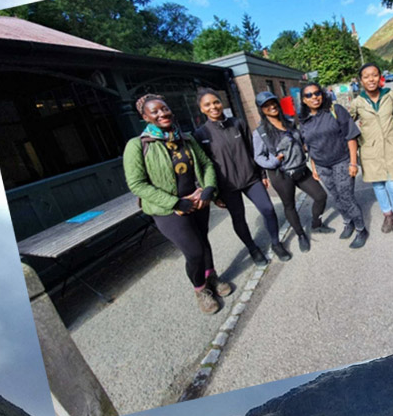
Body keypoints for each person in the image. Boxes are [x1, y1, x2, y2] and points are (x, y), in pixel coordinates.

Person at [123, 94, 235, 313]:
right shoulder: (137, 146)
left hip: (198, 202)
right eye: (154, 111)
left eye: (164, 109)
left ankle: (211, 276)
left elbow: (207, 165)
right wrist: (175, 203)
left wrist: (209, 189)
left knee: (203, 242)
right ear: (145, 117)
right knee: (193, 251)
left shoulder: (187, 139)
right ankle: (200, 289)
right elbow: (137, 184)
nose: (162, 114)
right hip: (169, 210)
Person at [192, 89, 291, 264]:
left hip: (251, 179)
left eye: (216, 102)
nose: (213, 107)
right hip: (226, 186)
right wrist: (214, 194)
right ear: (201, 109)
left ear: (221, 103)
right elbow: (203, 166)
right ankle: (253, 249)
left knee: (268, 209)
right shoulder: (200, 135)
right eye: (207, 104)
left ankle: (276, 243)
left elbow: (253, 150)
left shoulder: (237, 123)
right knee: (239, 218)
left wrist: (261, 174)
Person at [251, 92, 329, 254]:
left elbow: (301, 141)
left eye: (273, 103)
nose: (271, 107)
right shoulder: (260, 132)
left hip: (301, 168)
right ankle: (301, 234)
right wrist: (273, 162)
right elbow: (258, 156)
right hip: (281, 175)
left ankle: (316, 224)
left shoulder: (289, 121)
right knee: (289, 205)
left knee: (321, 196)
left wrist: (306, 148)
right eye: (266, 105)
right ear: (261, 109)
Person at [296, 81, 369, 248]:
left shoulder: (336, 111)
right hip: (322, 166)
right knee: (336, 197)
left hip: (341, 161)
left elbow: (351, 136)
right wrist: (314, 168)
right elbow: (310, 146)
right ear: (304, 100)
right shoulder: (304, 121)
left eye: (317, 93)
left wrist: (353, 163)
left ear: (322, 94)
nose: (314, 97)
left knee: (347, 197)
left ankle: (361, 229)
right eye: (309, 95)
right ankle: (348, 222)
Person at [350, 63, 393, 234]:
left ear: (380, 77)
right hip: (370, 149)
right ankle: (387, 214)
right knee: (379, 185)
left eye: (374, 75)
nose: (371, 79)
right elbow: (348, 124)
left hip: (391, 146)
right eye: (366, 76)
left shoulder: (390, 95)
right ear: (361, 80)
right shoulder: (357, 102)